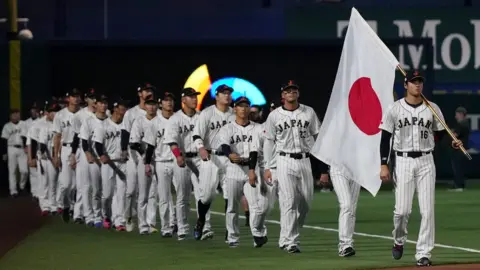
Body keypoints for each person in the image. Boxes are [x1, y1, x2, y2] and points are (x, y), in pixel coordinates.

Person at [379, 71, 462, 267]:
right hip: (404, 160)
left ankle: (423, 253)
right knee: (402, 211)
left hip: (426, 160)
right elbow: (385, 138)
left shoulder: (432, 108)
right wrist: (383, 163)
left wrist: (452, 142)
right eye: (414, 82)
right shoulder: (394, 109)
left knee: (427, 211)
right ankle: (399, 240)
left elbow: (441, 135)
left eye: (420, 82)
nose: (418, 85)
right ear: (406, 85)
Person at [263, 80, 326, 253]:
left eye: (294, 90)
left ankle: (287, 235)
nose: (291, 92)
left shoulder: (309, 112)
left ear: (298, 93)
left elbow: (318, 139)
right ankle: (291, 241)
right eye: (288, 90)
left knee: (305, 203)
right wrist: (268, 167)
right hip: (284, 160)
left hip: (305, 160)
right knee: (289, 201)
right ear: (283, 95)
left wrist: (323, 169)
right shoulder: (274, 116)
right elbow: (268, 142)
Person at [218, 97, 266, 247]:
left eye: (246, 106)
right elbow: (224, 145)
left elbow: (258, 149)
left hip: (252, 168)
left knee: (257, 206)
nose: (243, 109)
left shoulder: (257, 128)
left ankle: (257, 234)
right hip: (234, 170)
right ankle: (233, 237)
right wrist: (229, 154)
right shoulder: (227, 128)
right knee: (232, 206)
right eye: (240, 106)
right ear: (235, 109)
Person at [192, 84, 235, 241]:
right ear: (216, 96)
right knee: (206, 196)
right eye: (224, 93)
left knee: (231, 195)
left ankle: (229, 231)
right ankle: (201, 220)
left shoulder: (234, 114)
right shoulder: (207, 113)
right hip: (210, 157)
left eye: (229, 93)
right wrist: (201, 148)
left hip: (229, 159)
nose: (227, 95)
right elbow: (197, 134)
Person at [163, 87, 202, 241]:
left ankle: (203, 227)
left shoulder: (201, 116)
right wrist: (178, 156)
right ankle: (183, 228)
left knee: (203, 195)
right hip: (183, 158)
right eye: (191, 96)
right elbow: (172, 141)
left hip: (199, 158)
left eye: (195, 96)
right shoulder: (175, 118)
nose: (195, 99)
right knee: (182, 196)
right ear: (183, 100)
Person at [120, 83, 155, 232]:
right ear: (139, 94)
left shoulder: (156, 112)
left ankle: (150, 222)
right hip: (133, 154)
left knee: (151, 191)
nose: (148, 93)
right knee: (131, 190)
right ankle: (128, 217)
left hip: (150, 154)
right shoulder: (132, 113)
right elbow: (125, 133)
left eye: (150, 91)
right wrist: (123, 149)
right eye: (146, 91)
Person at [143, 92, 178, 236]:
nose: (168, 103)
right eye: (165, 100)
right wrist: (146, 163)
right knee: (164, 197)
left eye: (170, 100)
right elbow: (150, 146)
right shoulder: (154, 123)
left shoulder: (178, 119)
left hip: (177, 161)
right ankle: (166, 228)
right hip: (161, 162)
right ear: (160, 103)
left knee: (181, 195)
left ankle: (177, 224)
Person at [93, 98, 128, 231]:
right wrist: (101, 154)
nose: (124, 110)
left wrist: (125, 151)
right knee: (107, 193)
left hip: (122, 162)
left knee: (121, 192)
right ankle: (105, 215)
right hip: (108, 162)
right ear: (115, 108)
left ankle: (119, 221)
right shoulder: (103, 125)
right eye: (121, 107)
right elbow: (98, 143)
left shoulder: (125, 125)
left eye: (125, 107)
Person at [78, 94, 109, 227]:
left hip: (109, 160)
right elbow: (84, 140)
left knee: (108, 190)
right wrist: (87, 153)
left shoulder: (110, 121)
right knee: (95, 189)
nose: (103, 105)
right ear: (95, 105)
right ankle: (95, 216)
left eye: (105, 103)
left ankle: (107, 215)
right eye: (100, 103)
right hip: (94, 159)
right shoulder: (89, 121)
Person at [52, 88, 82, 222]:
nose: (75, 98)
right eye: (72, 96)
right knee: (65, 184)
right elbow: (57, 136)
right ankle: (65, 205)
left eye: (77, 96)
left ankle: (74, 210)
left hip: (80, 149)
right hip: (65, 149)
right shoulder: (60, 115)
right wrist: (56, 155)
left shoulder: (84, 114)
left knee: (77, 184)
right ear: (68, 99)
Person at [70, 89, 97, 224]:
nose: (94, 100)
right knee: (83, 185)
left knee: (96, 186)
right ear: (86, 99)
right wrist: (73, 154)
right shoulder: (80, 115)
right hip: (83, 150)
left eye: (96, 98)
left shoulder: (105, 113)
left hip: (98, 152)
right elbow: (76, 136)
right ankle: (80, 213)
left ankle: (92, 213)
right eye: (91, 98)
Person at [38, 102, 61, 215]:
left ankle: (53, 206)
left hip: (54, 157)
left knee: (54, 182)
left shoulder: (59, 125)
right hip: (45, 159)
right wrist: (52, 159)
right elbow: (43, 145)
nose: (55, 113)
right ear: (48, 113)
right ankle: (44, 206)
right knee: (45, 183)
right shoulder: (44, 126)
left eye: (56, 111)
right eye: (53, 111)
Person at [1, 109, 28, 197]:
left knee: (24, 171)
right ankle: (13, 191)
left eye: (18, 114)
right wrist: (4, 153)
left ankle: (21, 186)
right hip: (11, 148)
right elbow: (4, 140)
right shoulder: (7, 126)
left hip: (22, 148)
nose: (16, 116)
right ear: (10, 116)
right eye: (14, 114)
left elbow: (25, 137)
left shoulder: (23, 124)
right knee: (12, 170)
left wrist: (26, 147)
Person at [450, 106, 470, 191]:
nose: (456, 116)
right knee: (459, 167)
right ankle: (460, 185)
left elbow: (454, 136)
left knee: (458, 167)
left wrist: (450, 132)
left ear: (461, 114)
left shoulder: (462, 124)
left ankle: (459, 186)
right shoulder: (466, 123)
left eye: (457, 114)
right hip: (463, 149)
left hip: (460, 149)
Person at [23, 103, 40, 199]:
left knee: (39, 173)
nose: (34, 112)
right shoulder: (26, 122)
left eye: (35, 110)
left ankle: (38, 192)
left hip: (38, 147)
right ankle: (34, 192)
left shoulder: (40, 121)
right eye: (32, 110)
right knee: (32, 171)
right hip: (30, 147)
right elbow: (25, 137)